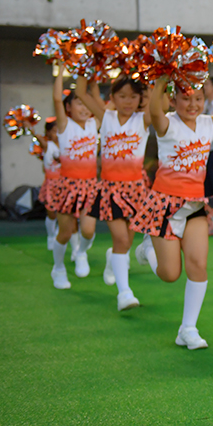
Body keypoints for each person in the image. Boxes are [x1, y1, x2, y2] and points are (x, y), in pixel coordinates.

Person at [131, 75, 213, 350]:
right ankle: (148, 248)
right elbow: (154, 109)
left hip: (195, 205)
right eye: (186, 98)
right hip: (165, 206)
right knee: (170, 274)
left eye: (198, 98)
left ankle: (188, 329)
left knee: (198, 264)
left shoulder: (208, 124)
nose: (192, 104)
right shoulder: (166, 123)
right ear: (173, 99)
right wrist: (161, 80)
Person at [73, 75, 151, 311]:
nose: (128, 101)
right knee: (121, 240)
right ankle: (124, 293)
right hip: (111, 189)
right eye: (122, 96)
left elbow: (163, 104)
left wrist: (158, 77)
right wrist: (85, 66)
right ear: (113, 97)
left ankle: (112, 260)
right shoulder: (105, 117)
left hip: (136, 190)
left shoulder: (144, 119)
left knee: (125, 243)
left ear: (141, 98)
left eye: (133, 96)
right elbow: (82, 92)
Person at [48, 70, 99, 290]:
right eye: (79, 103)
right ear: (68, 108)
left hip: (90, 185)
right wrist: (60, 69)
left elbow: (100, 102)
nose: (84, 107)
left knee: (88, 230)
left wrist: (95, 74)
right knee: (65, 232)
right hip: (68, 185)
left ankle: (80, 252)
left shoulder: (94, 124)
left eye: (86, 103)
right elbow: (56, 98)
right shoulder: (64, 125)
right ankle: (58, 268)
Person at [35, 118, 61, 250]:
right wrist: (30, 127)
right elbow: (38, 137)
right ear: (49, 132)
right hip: (51, 183)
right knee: (51, 213)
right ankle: (51, 235)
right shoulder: (48, 145)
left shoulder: (67, 145)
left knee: (65, 213)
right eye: (55, 131)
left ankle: (60, 236)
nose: (57, 134)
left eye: (59, 131)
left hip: (65, 184)